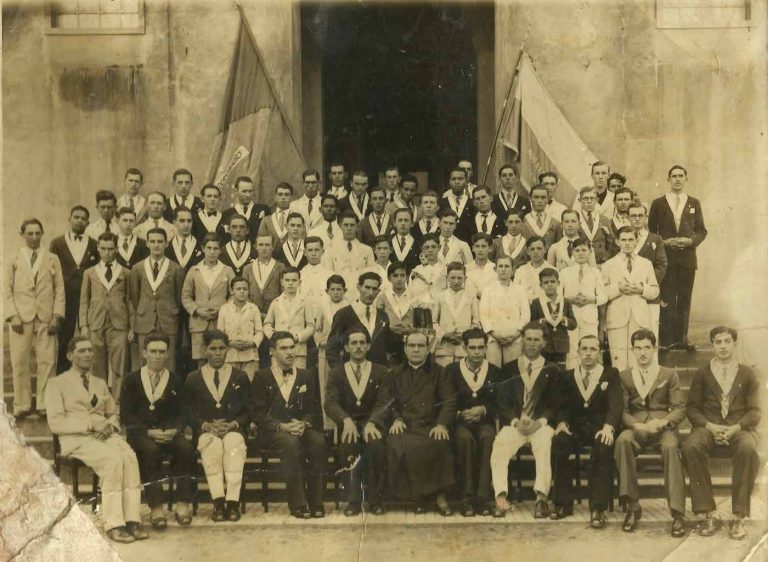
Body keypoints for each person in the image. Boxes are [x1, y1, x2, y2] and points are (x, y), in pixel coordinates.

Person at [46, 337, 146, 543]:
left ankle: (132, 520)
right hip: (77, 440)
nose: (88, 354)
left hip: (105, 437)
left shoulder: (99, 383)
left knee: (129, 458)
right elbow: (56, 423)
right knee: (112, 461)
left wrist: (109, 426)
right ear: (69, 355)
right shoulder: (57, 384)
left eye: (90, 350)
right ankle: (114, 524)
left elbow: (113, 413)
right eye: (82, 351)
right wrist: (91, 425)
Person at [682, 326, 761, 540]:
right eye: (718, 342)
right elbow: (692, 408)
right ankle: (709, 512)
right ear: (712, 345)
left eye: (727, 341)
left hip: (738, 428)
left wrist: (736, 427)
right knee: (691, 446)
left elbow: (755, 412)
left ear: (735, 344)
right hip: (708, 427)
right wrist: (710, 426)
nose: (723, 346)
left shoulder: (747, 373)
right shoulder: (702, 373)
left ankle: (738, 516)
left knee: (748, 448)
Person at [614, 329, 686, 537]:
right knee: (622, 441)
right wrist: (637, 425)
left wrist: (663, 421)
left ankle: (677, 512)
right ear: (632, 350)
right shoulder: (624, 376)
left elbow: (679, 408)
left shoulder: (668, 374)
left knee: (671, 447)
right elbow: (621, 410)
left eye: (647, 347)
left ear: (654, 349)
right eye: (638, 348)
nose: (643, 352)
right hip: (636, 427)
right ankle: (632, 505)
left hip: (662, 427)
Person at [120, 334, 196, 527]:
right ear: (144, 353)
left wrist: (175, 430)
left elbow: (183, 412)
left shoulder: (176, 380)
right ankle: (156, 507)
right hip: (141, 435)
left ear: (168, 354)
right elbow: (126, 415)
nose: (157, 356)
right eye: (153, 351)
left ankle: (182, 504)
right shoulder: (131, 379)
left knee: (186, 449)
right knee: (150, 451)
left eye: (162, 352)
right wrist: (147, 432)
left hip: (169, 433)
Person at [491, 322, 561, 518]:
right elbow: (502, 403)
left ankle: (541, 499)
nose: (531, 343)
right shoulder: (510, 368)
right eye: (528, 339)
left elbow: (556, 404)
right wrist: (515, 421)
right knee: (500, 444)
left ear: (544, 343)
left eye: (536, 340)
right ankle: (501, 498)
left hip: (540, 425)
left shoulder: (553, 369)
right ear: (522, 341)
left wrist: (539, 422)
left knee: (544, 444)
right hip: (516, 424)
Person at [252, 332, 326, 519]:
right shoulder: (261, 376)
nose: (289, 352)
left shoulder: (307, 375)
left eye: (292, 347)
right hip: (273, 432)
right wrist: (281, 426)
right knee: (290, 444)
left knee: (318, 442)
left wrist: (304, 423)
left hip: (299, 428)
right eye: (283, 348)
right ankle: (298, 503)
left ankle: (316, 502)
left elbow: (314, 409)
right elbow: (257, 413)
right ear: (272, 351)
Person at [551, 335, 622, 526]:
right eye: (584, 349)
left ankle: (598, 508)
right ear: (578, 352)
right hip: (576, 428)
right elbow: (562, 406)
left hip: (600, 428)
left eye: (593, 349)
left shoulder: (610, 374)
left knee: (603, 446)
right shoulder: (567, 376)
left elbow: (616, 405)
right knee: (559, 442)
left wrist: (608, 427)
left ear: (600, 352)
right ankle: (563, 503)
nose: (588, 353)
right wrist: (562, 423)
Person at [184, 330, 252, 522]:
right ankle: (218, 502)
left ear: (228, 349)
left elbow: (249, 410)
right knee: (212, 446)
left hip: (233, 430)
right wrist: (205, 425)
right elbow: (187, 411)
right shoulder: (193, 378)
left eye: (222, 348)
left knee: (233, 445)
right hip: (206, 432)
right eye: (213, 348)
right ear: (204, 350)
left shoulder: (239, 376)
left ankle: (233, 502)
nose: (218, 353)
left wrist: (233, 424)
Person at [387, 331, 456, 515]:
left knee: (439, 441)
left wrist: (441, 424)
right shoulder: (395, 374)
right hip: (406, 425)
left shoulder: (439, 372)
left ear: (428, 349)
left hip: (430, 424)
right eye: (412, 346)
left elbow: (449, 401)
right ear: (405, 349)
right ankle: (418, 498)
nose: (416, 350)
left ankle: (440, 496)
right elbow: (388, 402)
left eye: (420, 346)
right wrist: (396, 418)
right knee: (397, 443)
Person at [324, 329, 390, 516]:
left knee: (375, 445)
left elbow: (384, 402)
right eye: (354, 343)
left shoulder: (381, 371)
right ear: (346, 347)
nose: (358, 347)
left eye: (362, 343)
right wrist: (345, 420)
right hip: (349, 423)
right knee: (348, 445)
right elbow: (330, 403)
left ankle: (375, 499)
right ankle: (353, 500)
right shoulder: (337, 373)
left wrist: (373, 422)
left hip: (371, 423)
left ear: (368, 346)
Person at [7, 218, 65, 418]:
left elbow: (59, 290)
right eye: (29, 233)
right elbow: (5, 290)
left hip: (45, 317)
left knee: (47, 361)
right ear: (22, 235)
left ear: (42, 234)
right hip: (20, 318)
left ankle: (44, 403)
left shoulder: (52, 259)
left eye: (37, 233)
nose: (34, 237)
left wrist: (57, 315)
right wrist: (12, 315)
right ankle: (21, 404)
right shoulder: (14, 258)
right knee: (19, 361)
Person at [647, 164, 707, 350]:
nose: (678, 179)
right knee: (667, 298)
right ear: (668, 179)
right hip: (665, 259)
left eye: (681, 176)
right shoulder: (658, 203)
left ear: (686, 179)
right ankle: (666, 340)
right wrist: (664, 242)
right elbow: (650, 232)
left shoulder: (693, 203)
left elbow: (701, 231)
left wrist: (690, 241)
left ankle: (682, 338)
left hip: (687, 259)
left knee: (684, 299)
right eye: (674, 176)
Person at [446, 328, 504, 516]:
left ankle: (482, 498)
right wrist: (459, 413)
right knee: (465, 441)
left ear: (486, 348)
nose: (477, 352)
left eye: (481, 347)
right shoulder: (452, 371)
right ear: (464, 348)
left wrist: (483, 409)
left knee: (488, 438)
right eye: (472, 348)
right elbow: (446, 400)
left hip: (484, 421)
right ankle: (466, 498)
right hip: (460, 423)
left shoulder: (495, 372)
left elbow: (500, 403)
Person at [79, 232, 132, 400]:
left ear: (116, 249)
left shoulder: (125, 272)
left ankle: (117, 402)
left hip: (119, 324)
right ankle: (99, 401)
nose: (107, 253)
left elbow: (130, 301)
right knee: (96, 365)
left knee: (119, 365)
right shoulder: (90, 273)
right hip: (95, 322)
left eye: (110, 249)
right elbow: (84, 301)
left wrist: (131, 327)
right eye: (103, 249)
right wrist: (84, 325)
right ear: (98, 248)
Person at [49, 205, 99, 372]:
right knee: (64, 341)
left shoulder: (94, 244)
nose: (79, 221)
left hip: (88, 301)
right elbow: (51, 273)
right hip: (66, 300)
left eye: (83, 219)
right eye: (76, 217)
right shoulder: (57, 243)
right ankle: (63, 376)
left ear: (88, 222)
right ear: (69, 219)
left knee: (88, 340)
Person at [128, 228, 185, 372]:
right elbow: (134, 297)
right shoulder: (137, 268)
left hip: (168, 320)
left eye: (160, 241)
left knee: (169, 361)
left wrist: (171, 311)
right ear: (147, 243)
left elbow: (178, 296)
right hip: (144, 320)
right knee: (144, 361)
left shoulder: (176, 268)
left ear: (166, 244)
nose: (156, 245)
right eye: (152, 241)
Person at [602, 227, 660, 371]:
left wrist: (642, 289)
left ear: (636, 241)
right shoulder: (608, 265)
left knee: (638, 359)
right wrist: (618, 288)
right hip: (617, 318)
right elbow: (602, 292)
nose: (627, 243)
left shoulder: (646, 263)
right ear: (617, 241)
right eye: (623, 240)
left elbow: (655, 290)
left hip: (639, 317)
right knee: (619, 360)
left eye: (630, 240)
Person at [181, 234, 235, 366]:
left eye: (215, 248)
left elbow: (233, 295)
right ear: (203, 248)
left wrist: (222, 310)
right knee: (201, 361)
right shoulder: (194, 270)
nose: (212, 252)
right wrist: (197, 310)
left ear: (220, 250)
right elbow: (186, 296)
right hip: (199, 323)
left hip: (220, 322)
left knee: (221, 358)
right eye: (209, 248)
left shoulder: (227, 270)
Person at [326, 271, 391, 368]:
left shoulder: (383, 316)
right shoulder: (343, 314)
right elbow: (332, 349)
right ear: (359, 287)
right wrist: (340, 372)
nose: (370, 293)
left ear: (378, 291)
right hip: (352, 371)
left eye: (374, 289)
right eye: (367, 287)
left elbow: (388, 346)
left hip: (377, 372)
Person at [560, 238, 608, 369]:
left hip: (589, 318)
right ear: (572, 252)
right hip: (571, 318)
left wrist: (591, 299)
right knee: (572, 351)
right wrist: (570, 300)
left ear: (590, 252)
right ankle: (572, 377)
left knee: (590, 349)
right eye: (577, 250)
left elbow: (603, 296)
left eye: (584, 250)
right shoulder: (564, 273)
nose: (580, 253)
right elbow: (558, 297)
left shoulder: (595, 272)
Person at [479, 255, 530, 367]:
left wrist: (516, 334)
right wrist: (494, 334)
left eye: (507, 266)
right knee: (493, 370)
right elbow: (483, 314)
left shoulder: (519, 290)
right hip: (493, 337)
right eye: (500, 266)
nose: (503, 269)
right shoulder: (488, 290)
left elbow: (525, 314)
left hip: (514, 337)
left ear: (513, 269)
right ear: (495, 269)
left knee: (513, 370)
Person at [628, 202, 667, 346]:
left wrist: (644, 286)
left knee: (650, 335)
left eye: (640, 215)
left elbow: (661, 265)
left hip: (648, 295)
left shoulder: (655, 239)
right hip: (628, 294)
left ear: (646, 217)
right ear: (628, 217)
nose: (637, 218)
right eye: (633, 216)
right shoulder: (623, 238)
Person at [262, 268, 316, 369]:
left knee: (298, 375)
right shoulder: (276, 302)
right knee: (278, 375)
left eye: (294, 280)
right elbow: (267, 324)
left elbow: (311, 326)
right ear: (282, 282)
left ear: (299, 282)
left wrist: (298, 337)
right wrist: (275, 336)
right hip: (279, 348)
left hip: (298, 349)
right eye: (287, 280)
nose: (290, 283)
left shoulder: (305, 302)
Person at [432, 262, 480, 367]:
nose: (456, 281)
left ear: (465, 278)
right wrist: (444, 335)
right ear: (447, 278)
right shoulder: (439, 297)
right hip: (444, 349)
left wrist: (465, 335)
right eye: (453, 278)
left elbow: (476, 322)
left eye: (459, 278)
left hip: (463, 348)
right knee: (444, 374)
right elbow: (433, 322)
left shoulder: (471, 297)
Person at [216, 277, 263, 381]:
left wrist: (252, 343)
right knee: (231, 383)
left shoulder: (253, 308)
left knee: (250, 383)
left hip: (250, 355)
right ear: (232, 291)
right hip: (230, 355)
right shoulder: (224, 309)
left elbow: (259, 332)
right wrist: (230, 343)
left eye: (245, 289)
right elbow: (220, 333)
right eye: (238, 289)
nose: (242, 291)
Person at [530, 268, 577, 365]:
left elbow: (573, 324)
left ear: (558, 283)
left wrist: (563, 319)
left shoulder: (566, 302)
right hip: (543, 347)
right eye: (546, 282)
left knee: (560, 372)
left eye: (552, 281)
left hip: (561, 347)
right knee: (543, 371)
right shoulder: (536, 303)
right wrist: (543, 321)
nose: (550, 285)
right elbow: (531, 325)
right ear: (541, 285)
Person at [326, 210, 375, 289]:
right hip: (339, 291)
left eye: (352, 225)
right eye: (346, 225)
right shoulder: (331, 250)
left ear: (357, 227)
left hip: (359, 292)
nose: (349, 228)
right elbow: (328, 275)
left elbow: (371, 275)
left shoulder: (367, 250)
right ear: (340, 226)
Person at [377, 262, 414, 363]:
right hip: (389, 339)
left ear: (407, 277)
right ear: (389, 278)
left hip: (409, 338)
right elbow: (378, 321)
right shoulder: (383, 298)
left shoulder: (414, 296)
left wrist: (410, 329)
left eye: (402, 275)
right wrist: (388, 328)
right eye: (395, 275)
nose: (399, 279)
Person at [243, 235, 286, 322]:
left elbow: (284, 293)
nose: (264, 248)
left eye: (267, 245)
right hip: (252, 314)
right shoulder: (247, 268)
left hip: (274, 314)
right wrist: (254, 311)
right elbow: (244, 293)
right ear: (256, 247)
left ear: (272, 247)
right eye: (261, 245)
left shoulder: (280, 267)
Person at [574, 186, 615, 265]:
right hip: (581, 262)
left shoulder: (604, 220)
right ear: (580, 200)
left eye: (592, 198)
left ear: (596, 200)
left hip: (601, 262)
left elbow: (611, 241)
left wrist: (606, 257)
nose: (589, 201)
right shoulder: (575, 219)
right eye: (585, 198)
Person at [222, 176, 270, 241]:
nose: (248, 195)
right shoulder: (227, 214)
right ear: (235, 191)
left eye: (250, 191)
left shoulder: (264, 209)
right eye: (244, 191)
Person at [408, 235, 447, 305]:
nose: (430, 250)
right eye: (427, 247)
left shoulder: (445, 270)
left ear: (439, 248)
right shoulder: (417, 270)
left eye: (433, 247)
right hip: (419, 308)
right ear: (422, 249)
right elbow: (410, 294)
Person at [515, 236, 555, 303]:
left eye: (539, 248)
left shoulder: (553, 270)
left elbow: (556, 295)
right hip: (525, 307)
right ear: (527, 251)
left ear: (545, 250)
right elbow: (515, 294)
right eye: (532, 249)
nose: (536, 252)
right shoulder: (520, 271)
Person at [440, 167, 475, 243]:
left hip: (467, 244)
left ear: (466, 181)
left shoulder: (472, 203)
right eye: (453, 179)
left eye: (460, 179)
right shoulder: (442, 203)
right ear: (449, 181)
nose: (457, 182)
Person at [299, 236, 334, 305]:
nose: (313, 254)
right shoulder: (300, 275)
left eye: (317, 250)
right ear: (304, 252)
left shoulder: (330, 275)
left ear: (322, 251)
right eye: (310, 250)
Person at [165, 207, 203, 272]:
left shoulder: (200, 246)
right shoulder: (167, 247)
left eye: (189, 221)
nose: (186, 225)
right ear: (174, 222)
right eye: (182, 221)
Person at [257, 182, 293, 246]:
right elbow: (261, 241)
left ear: (291, 198)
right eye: (280, 194)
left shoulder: (297, 220)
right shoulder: (266, 220)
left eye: (286, 194)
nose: (283, 197)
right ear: (275, 198)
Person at [465, 233, 497, 298]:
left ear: (490, 248)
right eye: (477, 246)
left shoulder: (495, 268)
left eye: (483, 246)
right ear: (473, 248)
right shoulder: (466, 269)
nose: (480, 250)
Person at [389, 208, 420, 273]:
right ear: (394, 223)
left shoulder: (418, 242)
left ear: (412, 223)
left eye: (406, 220)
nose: (403, 223)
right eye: (400, 220)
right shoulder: (388, 241)